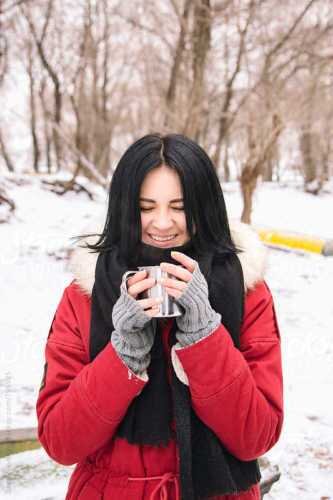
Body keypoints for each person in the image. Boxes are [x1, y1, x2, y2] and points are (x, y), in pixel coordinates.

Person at [36, 133, 284, 500]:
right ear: (124, 207)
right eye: (146, 206)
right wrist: (123, 351)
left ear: (205, 206)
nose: (163, 223)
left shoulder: (247, 291)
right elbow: (61, 442)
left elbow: (257, 437)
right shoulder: (84, 295)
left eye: (180, 206)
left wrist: (204, 335)